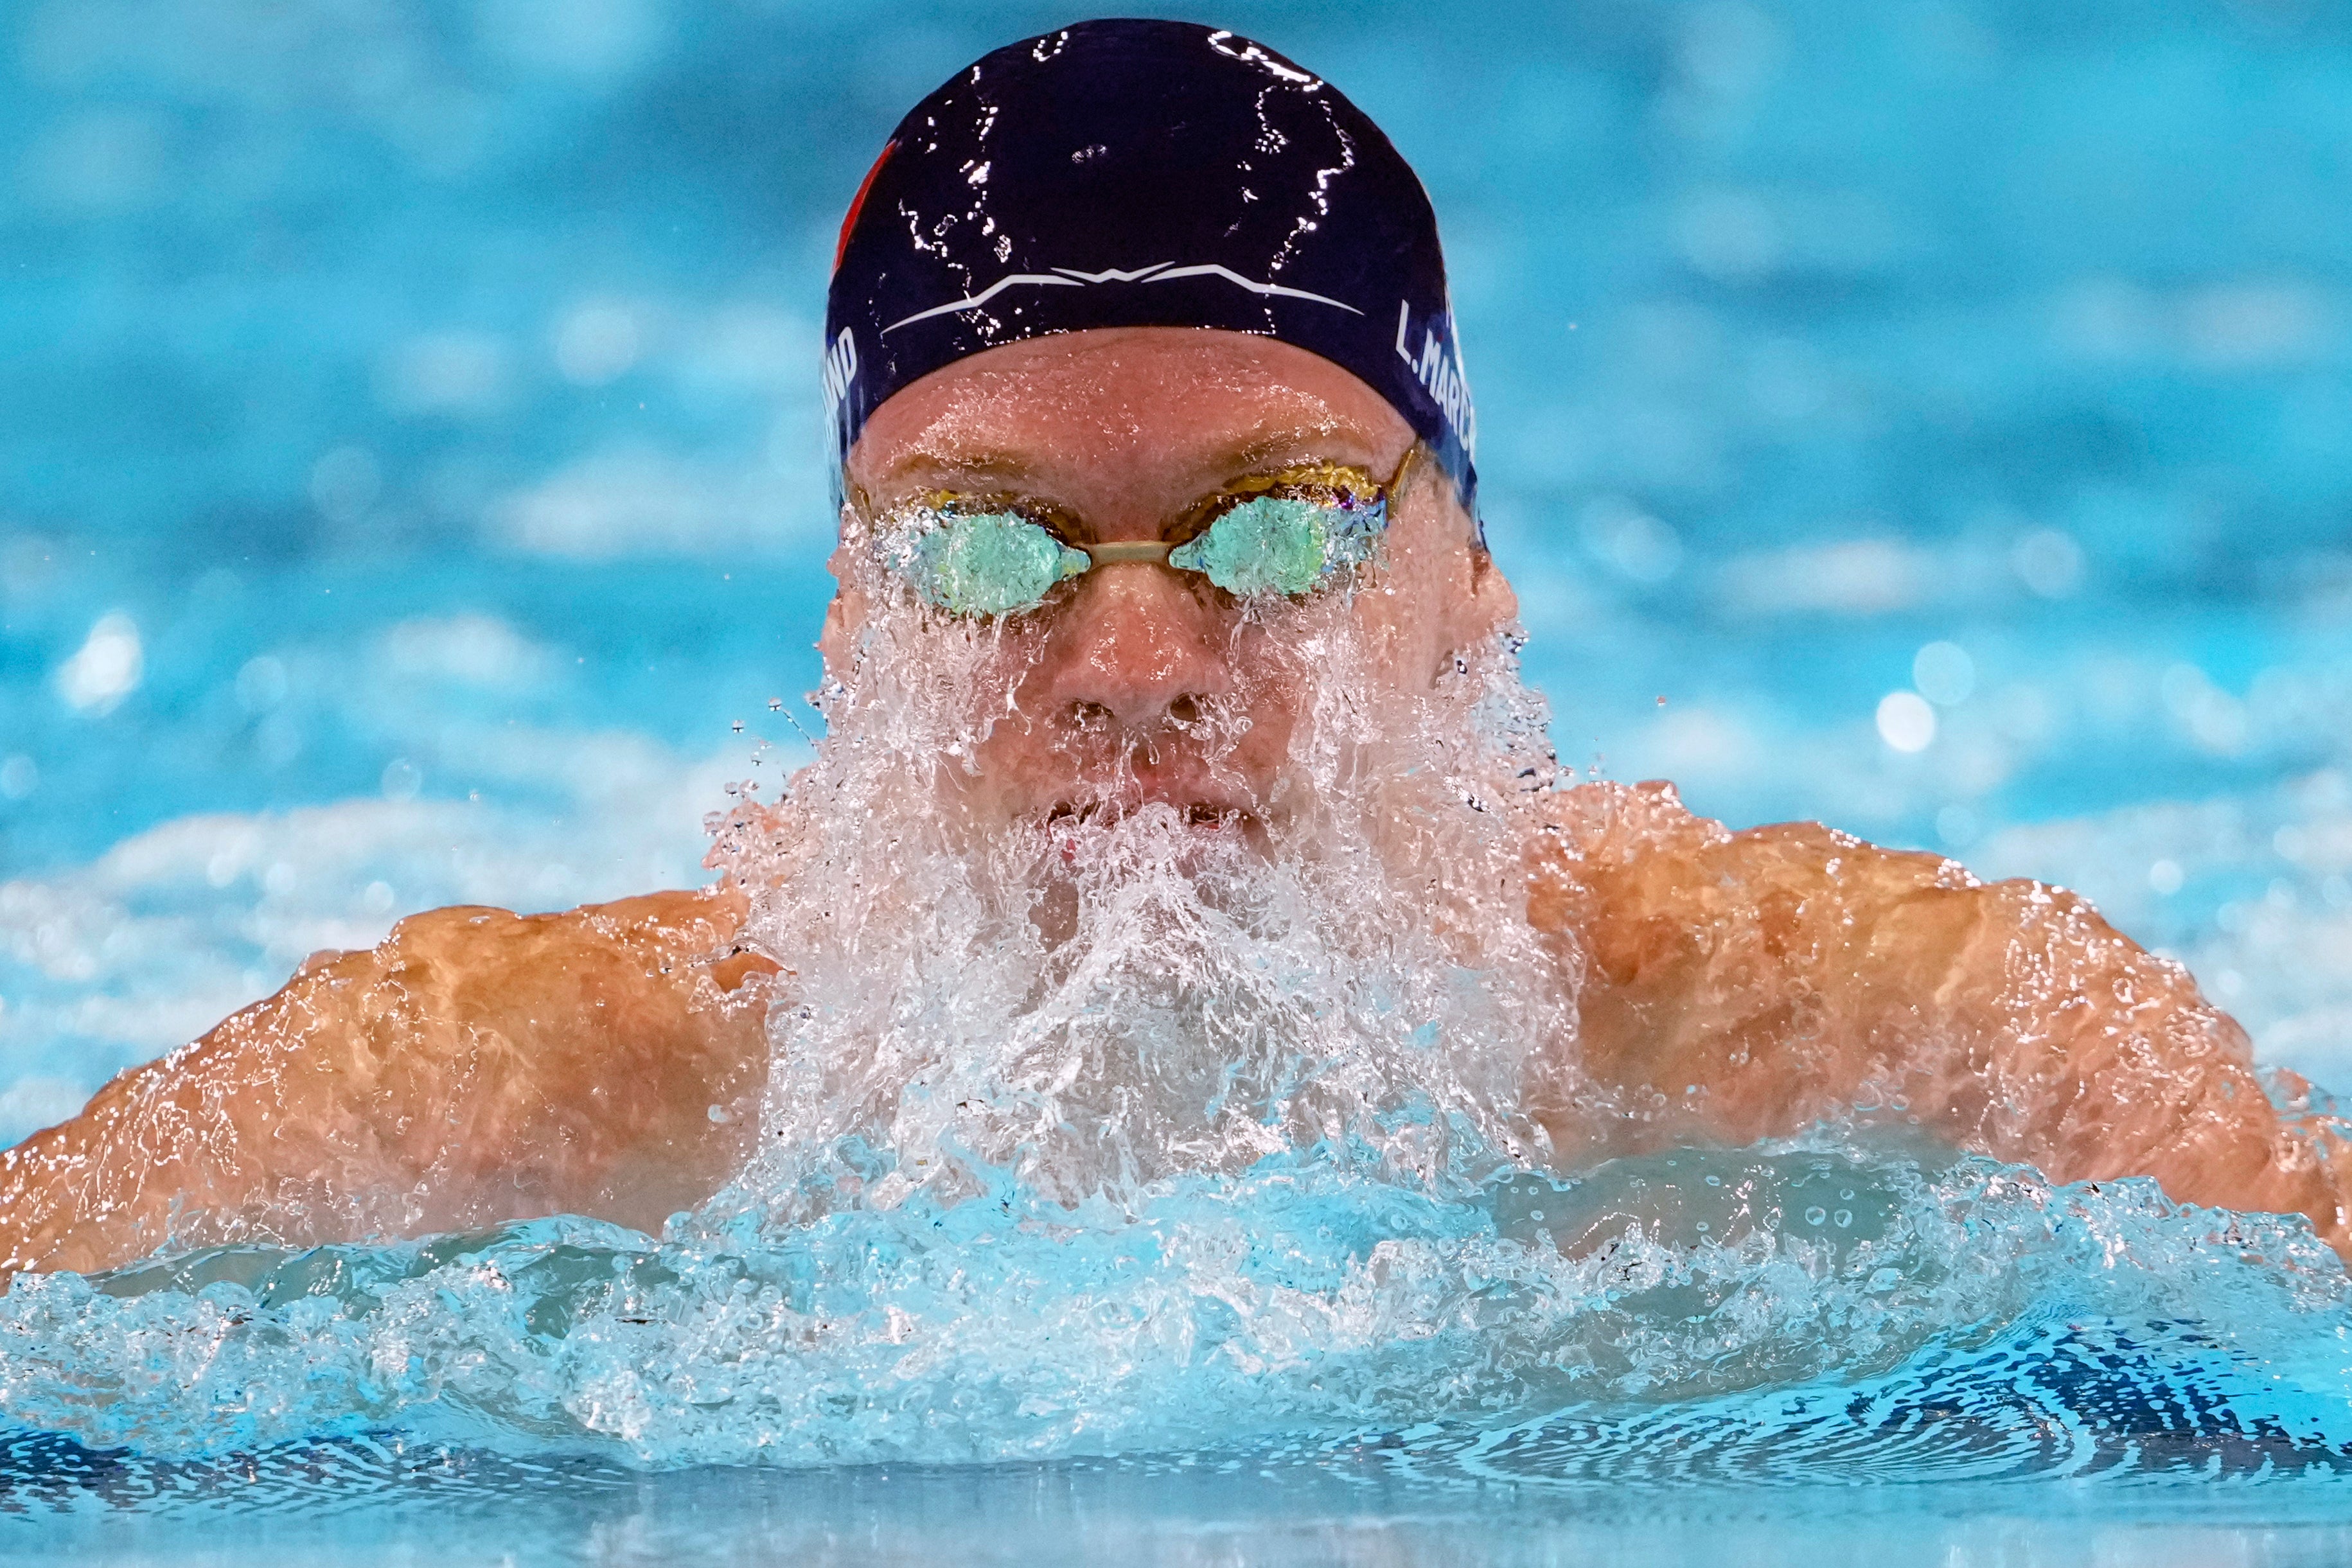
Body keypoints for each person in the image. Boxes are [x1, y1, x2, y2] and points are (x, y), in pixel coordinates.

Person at [3, 20, 2346, 1277]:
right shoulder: (529, 1101)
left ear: (1478, 598)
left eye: (1284, 524)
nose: (1138, 650)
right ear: (851, 637)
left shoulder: (1896, 1044)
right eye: (994, 554)